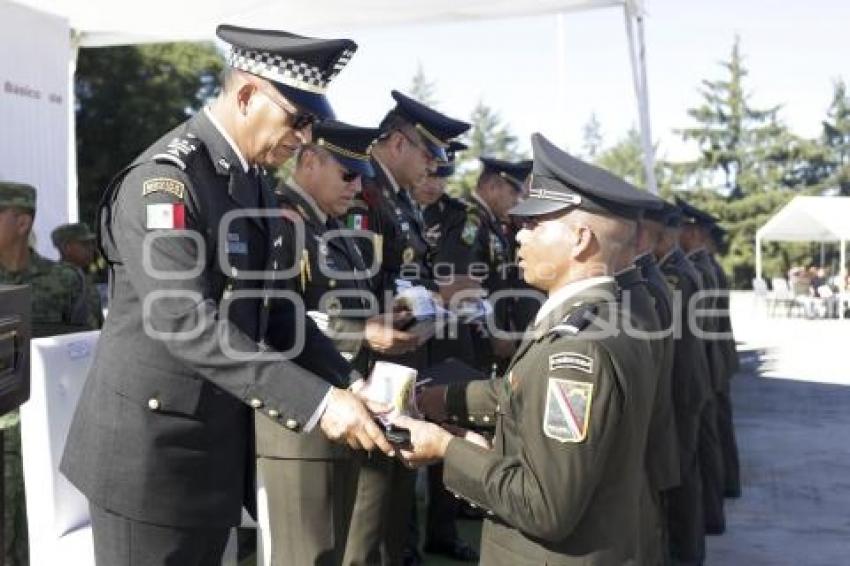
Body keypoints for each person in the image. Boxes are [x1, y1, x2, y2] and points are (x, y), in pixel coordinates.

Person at [60, 25, 394, 565]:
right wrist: (317, 404)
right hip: (151, 461)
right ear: (245, 96)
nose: (305, 138)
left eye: (311, 124)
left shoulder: (252, 179)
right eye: (298, 120)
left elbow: (277, 308)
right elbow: (186, 322)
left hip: (212, 449)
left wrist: (349, 381)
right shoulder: (165, 182)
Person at [399, 133, 659, 565]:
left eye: (535, 224)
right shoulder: (608, 316)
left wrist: (445, 448)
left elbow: (543, 506)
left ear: (580, 240)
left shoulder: (574, 352)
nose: (520, 236)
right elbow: (523, 394)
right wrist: (441, 401)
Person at [257, 120, 418, 566]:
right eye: (348, 174)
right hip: (299, 419)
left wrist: (381, 322)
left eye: (362, 174)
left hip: (344, 403)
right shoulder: (281, 224)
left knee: (339, 548)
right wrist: (363, 332)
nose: (358, 185)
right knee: (305, 554)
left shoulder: (330, 230)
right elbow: (272, 319)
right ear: (308, 162)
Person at [410, 142, 480, 562]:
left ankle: (442, 530)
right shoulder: (394, 207)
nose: (433, 183)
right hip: (407, 335)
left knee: (447, 433)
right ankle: (402, 541)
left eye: (441, 176)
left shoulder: (458, 217)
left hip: (450, 339)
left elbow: (454, 282)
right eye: (429, 173)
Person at [676, 197, 730, 534]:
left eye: (682, 228)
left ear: (694, 232)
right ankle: (713, 514)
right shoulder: (704, 266)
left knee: (702, 449)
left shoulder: (697, 269)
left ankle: (708, 519)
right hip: (710, 364)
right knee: (709, 444)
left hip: (704, 365)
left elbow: (700, 329)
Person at [51, 222, 104, 326]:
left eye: (92, 243)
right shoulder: (55, 281)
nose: (91, 248)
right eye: (84, 244)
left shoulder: (86, 277)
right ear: (66, 247)